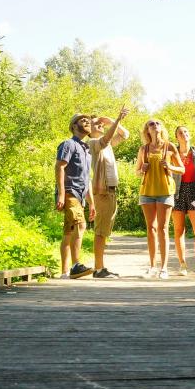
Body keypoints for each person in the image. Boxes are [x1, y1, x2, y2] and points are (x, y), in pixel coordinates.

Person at [135, 119, 184, 279]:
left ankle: (164, 268)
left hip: (165, 191)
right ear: (147, 130)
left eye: (157, 123)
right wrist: (142, 169)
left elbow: (181, 169)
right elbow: (137, 171)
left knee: (162, 228)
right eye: (151, 124)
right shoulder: (144, 149)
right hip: (147, 191)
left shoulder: (169, 146)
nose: (154, 125)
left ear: (161, 128)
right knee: (151, 229)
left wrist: (170, 167)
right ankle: (152, 267)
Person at [88, 105, 130, 278]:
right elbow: (105, 139)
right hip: (103, 192)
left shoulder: (107, 144)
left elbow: (124, 135)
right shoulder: (93, 143)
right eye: (95, 124)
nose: (99, 125)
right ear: (88, 130)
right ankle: (98, 269)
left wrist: (109, 120)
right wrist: (118, 118)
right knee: (100, 230)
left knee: (105, 230)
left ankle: (101, 267)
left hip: (110, 191)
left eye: (100, 123)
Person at [55, 114, 96, 279]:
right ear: (73, 126)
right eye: (82, 120)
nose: (86, 122)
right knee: (79, 225)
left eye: (87, 120)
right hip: (70, 191)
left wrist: (91, 203)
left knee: (70, 231)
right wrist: (61, 195)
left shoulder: (86, 150)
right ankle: (76, 265)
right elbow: (59, 167)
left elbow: (87, 179)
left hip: (80, 195)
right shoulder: (68, 144)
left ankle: (65, 272)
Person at [172, 125, 195, 275]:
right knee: (179, 230)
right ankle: (182, 265)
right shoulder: (171, 153)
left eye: (186, 132)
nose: (184, 134)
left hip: (194, 193)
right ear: (177, 137)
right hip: (177, 193)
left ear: (189, 135)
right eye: (180, 133)